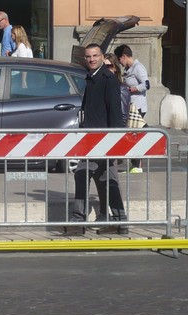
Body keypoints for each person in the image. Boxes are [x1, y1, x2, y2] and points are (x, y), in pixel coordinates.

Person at [65, 43, 127, 236]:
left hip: (102, 140)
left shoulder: (107, 79)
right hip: (92, 139)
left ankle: (78, 221)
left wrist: (114, 142)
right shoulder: (92, 78)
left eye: (95, 56)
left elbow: (115, 113)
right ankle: (119, 221)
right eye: (88, 56)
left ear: (102, 57)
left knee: (83, 174)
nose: (91, 59)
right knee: (105, 179)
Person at [115, 44, 149, 173]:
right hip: (131, 106)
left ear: (123, 57)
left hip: (138, 107)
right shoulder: (129, 69)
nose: (120, 63)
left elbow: (146, 85)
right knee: (131, 135)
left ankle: (137, 166)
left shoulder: (138, 68)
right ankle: (133, 165)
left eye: (119, 60)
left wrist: (129, 90)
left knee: (135, 136)